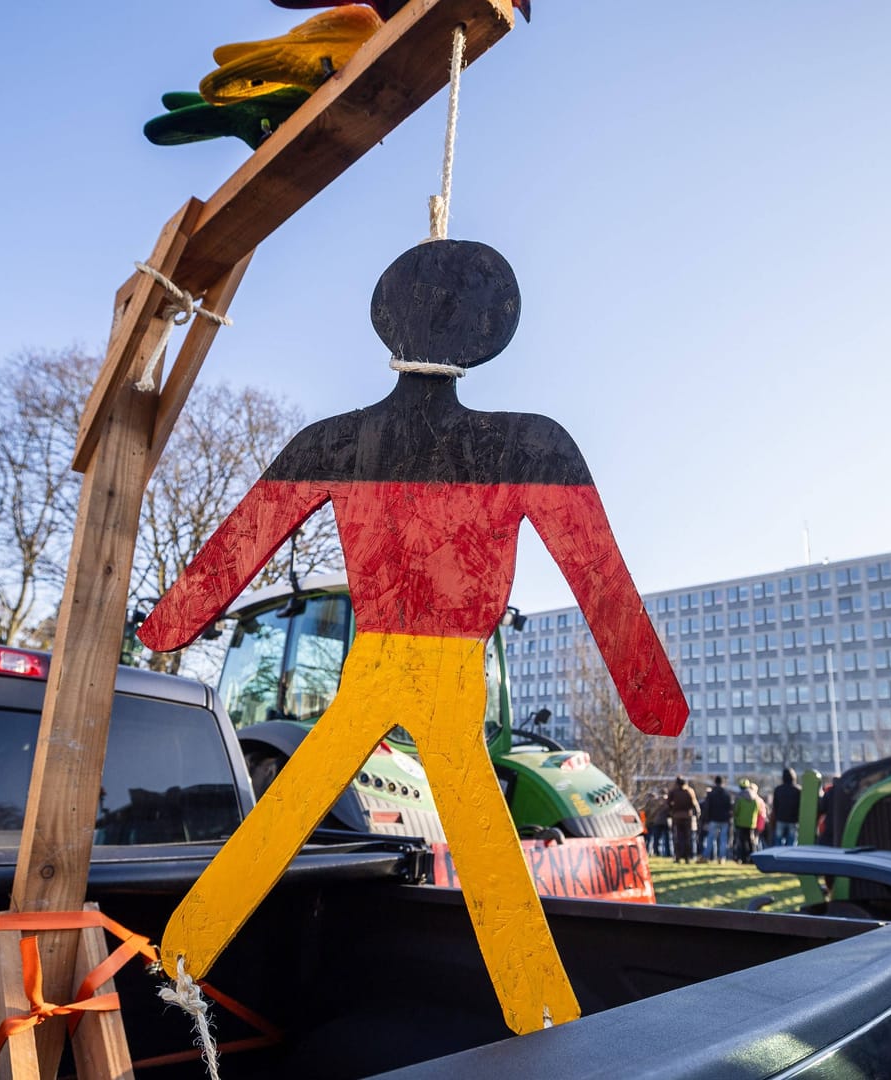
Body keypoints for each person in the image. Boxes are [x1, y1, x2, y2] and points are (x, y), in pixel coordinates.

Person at [139, 239, 688, 1036]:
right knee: (478, 827)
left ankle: (185, 953)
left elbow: (224, 562)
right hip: (450, 668)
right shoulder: (531, 445)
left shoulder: (334, 441)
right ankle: (542, 1015)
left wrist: (167, 627)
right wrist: (651, 699)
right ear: (492, 333)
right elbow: (600, 580)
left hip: (377, 662)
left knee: (294, 799)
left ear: (383, 321)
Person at [667, 775, 700, 863]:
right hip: (687, 817)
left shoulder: (673, 792)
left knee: (677, 837)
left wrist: (671, 811)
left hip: (676, 816)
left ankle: (677, 857)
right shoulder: (689, 791)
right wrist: (697, 815)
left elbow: (668, 804)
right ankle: (687, 857)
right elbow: (694, 804)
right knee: (687, 838)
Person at [701, 775, 733, 863]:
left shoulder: (711, 794)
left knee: (710, 838)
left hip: (713, 819)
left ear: (715, 782)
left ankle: (706, 856)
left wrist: (705, 820)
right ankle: (722, 858)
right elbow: (730, 808)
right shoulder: (727, 794)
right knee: (723, 840)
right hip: (724, 820)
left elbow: (707, 808)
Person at [731, 779, 762, 863]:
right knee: (751, 841)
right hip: (752, 823)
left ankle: (743, 858)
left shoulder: (739, 798)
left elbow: (736, 810)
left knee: (741, 841)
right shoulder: (756, 798)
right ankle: (752, 859)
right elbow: (758, 810)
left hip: (740, 823)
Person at [772, 766, 803, 847]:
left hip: (780, 818)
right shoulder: (798, 790)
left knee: (778, 841)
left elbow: (775, 805)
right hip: (793, 819)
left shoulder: (778, 789)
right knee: (792, 841)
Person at [642, 787, 671, 857]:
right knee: (667, 839)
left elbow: (648, 812)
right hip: (665, 821)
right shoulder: (668, 801)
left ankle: (656, 852)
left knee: (656, 839)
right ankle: (667, 853)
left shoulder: (655, 801)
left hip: (656, 821)